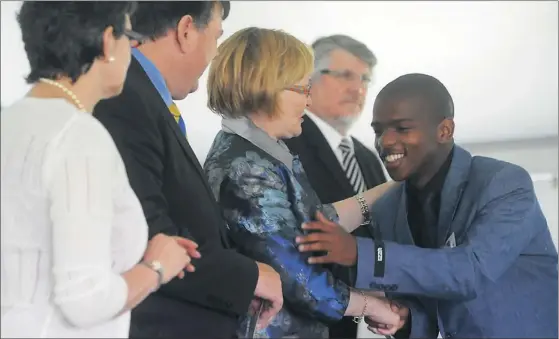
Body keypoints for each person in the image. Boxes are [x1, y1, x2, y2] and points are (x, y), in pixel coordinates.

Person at [297, 73, 559, 338]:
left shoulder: (503, 183)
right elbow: (430, 301)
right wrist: (407, 320)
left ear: (445, 130)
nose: (385, 142)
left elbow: (470, 272)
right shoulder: (388, 209)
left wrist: (360, 254)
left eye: (402, 128)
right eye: (378, 130)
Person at [1, 2, 199, 338]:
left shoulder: (10, 121)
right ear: (108, 41)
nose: (133, 47)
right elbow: (85, 299)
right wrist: (158, 267)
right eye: (129, 35)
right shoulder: (78, 136)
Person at [92, 2, 283, 338]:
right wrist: (250, 276)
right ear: (185, 31)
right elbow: (146, 236)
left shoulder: (145, 99)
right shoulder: (125, 100)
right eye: (216, 38)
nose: (214, 57)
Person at [204, 27, 403, 338]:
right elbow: (298, 279)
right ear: (267, 88)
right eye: (302, 90)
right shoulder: (247, 168)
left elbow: (312, 225)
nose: (308, 102)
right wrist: (370, 305)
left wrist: (384, 193)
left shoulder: (263, 152)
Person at [284, 35, 386, 338]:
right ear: (309, 79)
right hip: (298, 322)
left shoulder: (368, 157)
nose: (358, 88)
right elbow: (296, 239)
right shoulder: (286, 141)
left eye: (365, 79)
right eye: (345, 75)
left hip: (355, 322)